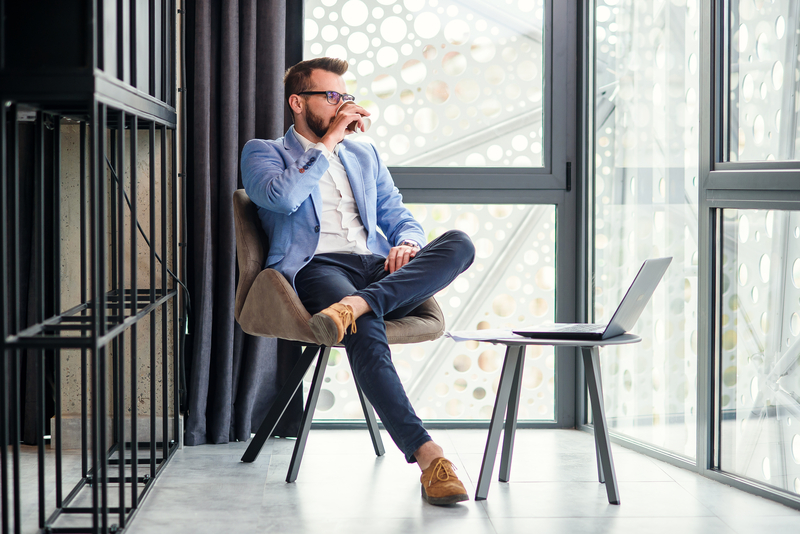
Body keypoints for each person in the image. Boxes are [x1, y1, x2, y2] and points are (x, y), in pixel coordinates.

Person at [240, 57, 475, 505]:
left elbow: (396, 212)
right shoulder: (262, 152)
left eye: (345, 96)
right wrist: (327, 141)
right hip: (317, 267)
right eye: (332, 97)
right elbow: (283, 198)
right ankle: (430, 458)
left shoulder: (363, 153)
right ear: (297, 102)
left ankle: (359, 304)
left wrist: (406, 242)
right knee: (363, 330)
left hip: (372, 265)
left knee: (459, 243)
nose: (343, 104)